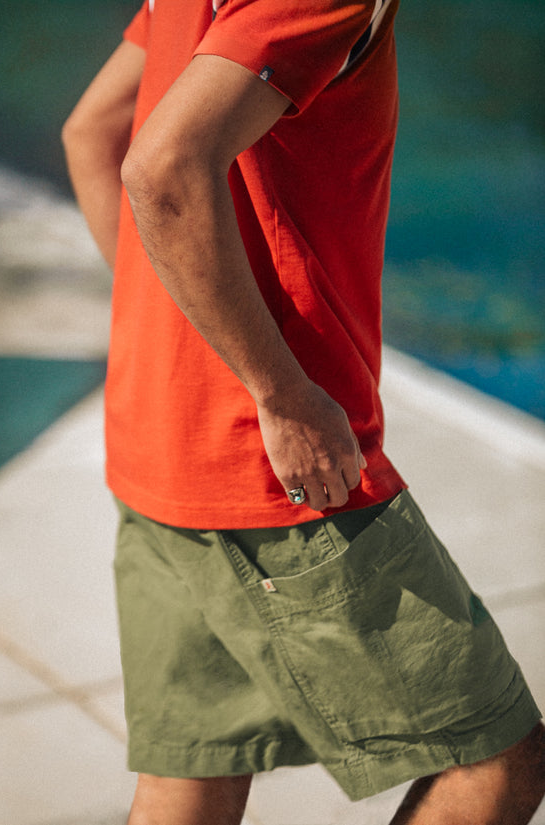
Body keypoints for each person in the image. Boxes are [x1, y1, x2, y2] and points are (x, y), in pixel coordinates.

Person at [62, 1, 545, 823]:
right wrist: (280, 391)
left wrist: (169, 331)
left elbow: (92, 134)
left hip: (161, 438)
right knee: (495, 761)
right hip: (272, 471)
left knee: (193, 780)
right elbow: (161, 167)